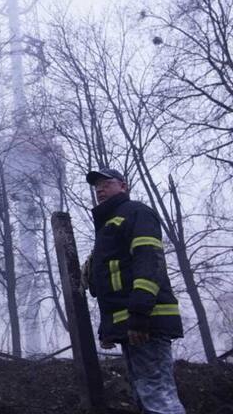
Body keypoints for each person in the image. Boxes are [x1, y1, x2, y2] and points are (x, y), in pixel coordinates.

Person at [84, 167, 185, 414]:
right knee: (145, 396)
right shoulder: (108, 227)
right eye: (97, 186)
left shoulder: (136, 212)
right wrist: (108, 328)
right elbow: (113, 281)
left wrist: (140, 315)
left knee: (158, 397)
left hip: (146, 320)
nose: (99, 189)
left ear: (123, 186)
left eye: (106, 183)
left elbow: (148, 259)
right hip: (132, 324)